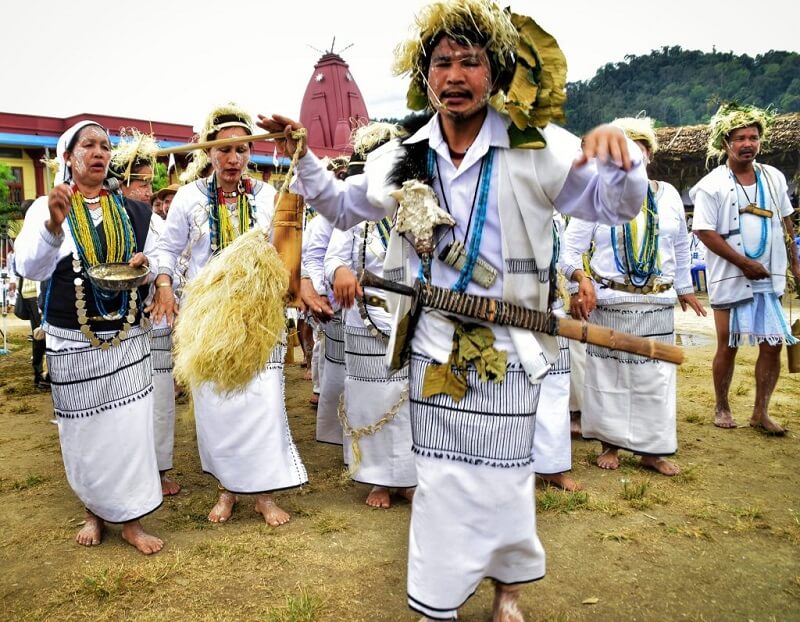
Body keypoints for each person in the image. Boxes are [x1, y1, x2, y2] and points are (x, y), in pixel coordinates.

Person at [260, 1, 647, 618]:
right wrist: (302, 154)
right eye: (443, 62)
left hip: (513, 342)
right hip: (435, 341)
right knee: (439, 480)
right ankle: (436, 599)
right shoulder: (400, 155)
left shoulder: (536, 144)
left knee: (507, 476)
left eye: (471, 61)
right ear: (426, 74)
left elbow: (614, 206)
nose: (456, 75)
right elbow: (339, 205)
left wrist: (624, 160)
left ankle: (507, 591)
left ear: (494, 73)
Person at [150, 104, 307, 526]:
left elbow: (287, 249)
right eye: (223, 150)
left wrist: (294, 287)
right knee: (216, 405)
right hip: (210, 319)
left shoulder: (268, 196)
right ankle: (227, 489)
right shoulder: (188, 198)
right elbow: (166, 249)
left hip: (258, 317)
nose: (232, 159)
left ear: (250, 152)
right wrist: (164, 284)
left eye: (240, 149)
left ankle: (264, 494)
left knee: (264, 402)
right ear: (210, 154)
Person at [13, 120, 163, 554]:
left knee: (131, 429)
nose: (99, 152)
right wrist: (53, 228)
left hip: (127, 336)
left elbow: (158, 259)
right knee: (84, 432)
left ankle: (132, 520)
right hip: (73, 339)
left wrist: (146, 265)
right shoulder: (47, 204)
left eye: (105, 146)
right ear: (69, 157)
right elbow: (31, 268)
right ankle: (94, 512)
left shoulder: (134, 210)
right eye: (89, 145)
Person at [560, 116, 705, 477]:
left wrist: (685, 288)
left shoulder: (668, 195)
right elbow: (568, 250)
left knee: (655, 378)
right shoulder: (596, 195)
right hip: (611, 300)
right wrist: (581, 280)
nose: (631, 155)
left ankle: (651, 451)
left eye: (638, 148)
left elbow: (681, 248)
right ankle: (610, 444)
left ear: (649, 154)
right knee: (610, 375)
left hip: (657, 301)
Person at [691, 103, 800, 435]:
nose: (748, 144)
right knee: (729, 342)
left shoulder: (774, 176)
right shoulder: (712, 184)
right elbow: (704, 231)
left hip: (769, 275)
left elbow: (786, 220)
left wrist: (795, 260)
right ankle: (722, 406)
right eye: (740, 138)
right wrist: (743, 263)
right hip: (731, 276)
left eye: (753, 137)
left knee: (773, 344)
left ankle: (760, 412)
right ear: (726, 142)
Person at [112, 131, 181, 496]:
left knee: (160, 397)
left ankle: (161, 466)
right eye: (142, 182)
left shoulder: (154, 220)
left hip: (153, 320)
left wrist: (160, 282)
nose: (148, 191)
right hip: (111, 325)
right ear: (122, 183)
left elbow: (167, 261)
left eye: (150, 182)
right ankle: (126, 471)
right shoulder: (106, 214)